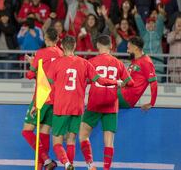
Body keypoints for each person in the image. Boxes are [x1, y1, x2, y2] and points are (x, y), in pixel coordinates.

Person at [47, 36, 120, 170]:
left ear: (62, 47)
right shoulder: (84, 63)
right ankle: (72, 164)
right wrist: (116, 82)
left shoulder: (56, 63)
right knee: (71, 140)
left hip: (61, 106)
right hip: (77, 107)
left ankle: (67, 164)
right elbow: (101, 81)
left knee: (57, 141)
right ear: (75, 46)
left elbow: (48, 85)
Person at [79, 35, 134, 170]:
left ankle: (90, 165)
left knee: (83, 135)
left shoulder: (90, 62)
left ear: (97, 45)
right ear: (111, 46)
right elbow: (131, 83)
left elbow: (83, 81)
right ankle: (106, 169)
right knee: (109, 142)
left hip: (95, 102)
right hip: (111, 104)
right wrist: (121, 84)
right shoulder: (118, 63)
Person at [22, 28, 63, 170]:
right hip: (56, 97)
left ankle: (46, 160)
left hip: (42, 95)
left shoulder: (40, 53)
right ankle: (43, 165)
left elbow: (29, 75)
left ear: (46, 39)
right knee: (44, 132)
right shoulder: (61, 53)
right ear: (57, 40)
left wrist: (32, 62)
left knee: (27, 131)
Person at [118, 36, 158, 109]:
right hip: (122, 94)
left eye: (129, 48)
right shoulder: (135, 61)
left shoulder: (146, 61)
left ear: (135, 48)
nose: (127, 51)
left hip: (126, 98)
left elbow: (154, 83)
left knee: (101, 95)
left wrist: (152, 103)